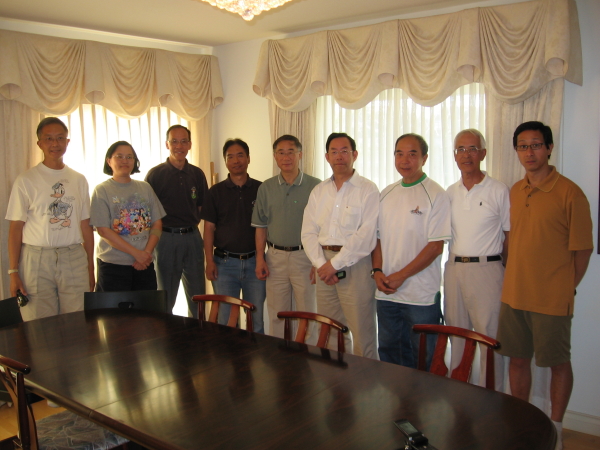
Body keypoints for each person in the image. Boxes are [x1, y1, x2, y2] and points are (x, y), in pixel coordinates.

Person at [497, 121, 593, 450]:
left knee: (557, 363)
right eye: (523, 146)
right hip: (514, 294)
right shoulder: (515, 190)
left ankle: (556, 427)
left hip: (551, 298)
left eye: (536, 145)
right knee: (517, 360)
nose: (529, 152)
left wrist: (566, 287)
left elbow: (583, 249)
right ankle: (521, 420)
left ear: (549, 148)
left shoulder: (570, 193)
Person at [372, 133, 450, 368]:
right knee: (390, 356)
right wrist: (377, 271)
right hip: (386, 293)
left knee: (425, 359)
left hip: (421, 296)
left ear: (424, 158)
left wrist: (401, 275)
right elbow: (377, 239)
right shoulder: (386, 193)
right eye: (399, 154)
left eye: (412, 154)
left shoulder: (436, 194)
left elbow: (435, 246)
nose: (405, 160)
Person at [6, 117, 94, 321]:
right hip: (37, 259)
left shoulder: (78, 179)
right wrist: (13, 272)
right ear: (40, 143)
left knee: (76, 320)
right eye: (49, 139)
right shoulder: (26, 180)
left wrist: (90, 266)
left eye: (60, 138)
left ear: (67, 142)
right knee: (39, 323)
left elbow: (85, 225)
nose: (55, 143)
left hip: (73, 256)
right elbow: (16, 228)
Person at [301, 132, 379, 357]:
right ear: (327, 157)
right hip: (324, 266)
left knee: (362, 333)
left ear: (355, 155)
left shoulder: (368, 189)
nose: (339, 156)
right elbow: (308, 232)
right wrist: (321, 264)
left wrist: (334, 265)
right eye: (334, 152)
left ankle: (364, 379)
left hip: (356, 265)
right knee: (329, 330)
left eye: (344, 151)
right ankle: (335, 379)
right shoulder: (319, 191)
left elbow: (366, 235)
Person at [444, 129, 509, 389]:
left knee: (490, 340)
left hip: (487, 270)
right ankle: (460, 396)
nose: (466, 154)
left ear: (483, 153)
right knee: (456, 335)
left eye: (472, 149)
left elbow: (510, 236)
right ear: (454, 156)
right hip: (454, 269)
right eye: (461, 149)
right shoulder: (449, 192)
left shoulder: (498, 190)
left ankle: (493, 401)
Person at [252, 135, 320, 339]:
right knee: (277, 313)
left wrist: (317, 261)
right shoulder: (266, 188)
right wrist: (260, 258)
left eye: (291, 152)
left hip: (305, 257)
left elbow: (322, 228)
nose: (286, 157)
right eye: (281, 153)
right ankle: (279, 354)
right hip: (275, 258)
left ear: (300, 155)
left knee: (307, 312)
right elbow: (260, 227)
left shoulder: (316, 186)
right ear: (275, 157)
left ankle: (307, 355)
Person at [202, 139, 266, 333]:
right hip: (224, 264)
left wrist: (261, 259)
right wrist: (209, 261)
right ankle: (229, 354)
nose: (236, 161)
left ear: (248, 158)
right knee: (226, 320)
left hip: (254, 263)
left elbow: (264, 227)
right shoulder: (215, 192)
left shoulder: (261, 189)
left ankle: (255, 353)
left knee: (256, 320)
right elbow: (208, 229)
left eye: (240, 155)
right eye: (230, 157)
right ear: (225, 161)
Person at [146, 125, 208, 317]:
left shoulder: (197, 174)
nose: (179, 146)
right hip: (166, 239)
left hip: (192, 237)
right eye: (174, 141)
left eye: (183, 141)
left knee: (198, 297)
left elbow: (202, 207)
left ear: (189, 144)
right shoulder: (155, 175)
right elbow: (148, 214)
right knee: (165, 298)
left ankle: (197, 334)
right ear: (167, 144)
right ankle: (164, 335)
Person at [90, 141, 166, 291]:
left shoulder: (145, 187)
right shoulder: (102, 190)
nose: (125, 161)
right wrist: (136, 254)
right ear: (109, 161)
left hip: (145, 263)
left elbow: (157, 223)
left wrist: (146, 254)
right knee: (114, 308)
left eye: (129, 157)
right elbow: (103, 230)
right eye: (119, 156)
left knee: (147, 307)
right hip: (113, 266)